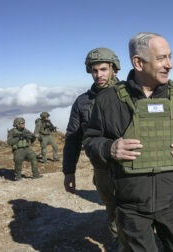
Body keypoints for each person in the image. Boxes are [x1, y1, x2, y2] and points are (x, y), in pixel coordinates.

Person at [84, 32, 173, 251]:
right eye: (162, 58)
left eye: (170, 57)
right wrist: (110, 148)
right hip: (130, 205)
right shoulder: (109, 100)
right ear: (138, 62)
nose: (170, 65)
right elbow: (90, 140)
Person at [63, 47, 121, 241]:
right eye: (94, 70)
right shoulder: (83, 102)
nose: (98, 75)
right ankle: (117, 242)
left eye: (103, 69)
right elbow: (73, 138)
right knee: (112, 208)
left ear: (114, 69)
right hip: (103, 167)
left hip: (133, 165)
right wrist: (68, 171)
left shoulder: (131, 94)